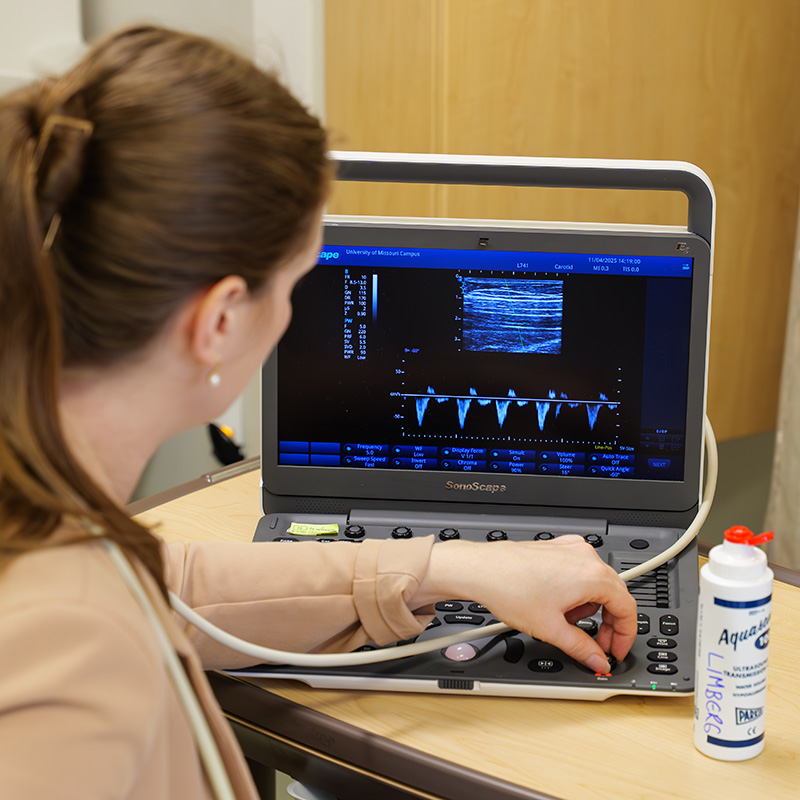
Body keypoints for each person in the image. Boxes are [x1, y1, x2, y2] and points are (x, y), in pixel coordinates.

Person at [0, 25, 637, 799]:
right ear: (221, 321)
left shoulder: (48, 519)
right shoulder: (67, 655)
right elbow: (97, 615)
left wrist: (451, 567)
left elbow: (166, 584)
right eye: (299, 283)